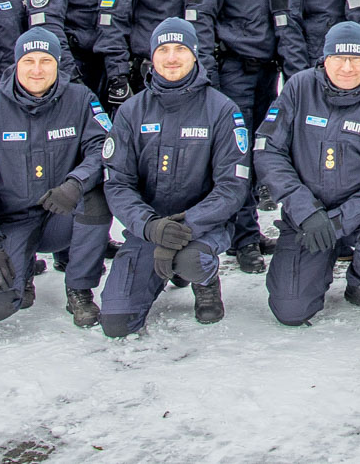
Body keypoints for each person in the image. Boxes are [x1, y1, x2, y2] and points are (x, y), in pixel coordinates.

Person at [99, 17, 250, 335]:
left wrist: (185, 227)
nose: (171, 57)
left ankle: (204, 279)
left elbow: (232, 186)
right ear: (151, 57)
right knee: (116, 323)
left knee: (191, 260)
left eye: (180, 49)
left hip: (203, 226)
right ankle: (166, 266)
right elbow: (118, 183)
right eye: (163, 49)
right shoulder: (131, 111)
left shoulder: (221, 110)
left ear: (195, 54)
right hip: (150, 228)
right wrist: (150, 226)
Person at [255, 22, 360, 325]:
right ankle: (317, 264)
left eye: (357, 59)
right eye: (339, 58)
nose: (347, 68)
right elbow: (267, 150)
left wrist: (336, 221)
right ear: (324, 59)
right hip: (307, 215)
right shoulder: (299, 88)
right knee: (291, 310)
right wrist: (304, 210)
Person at [0, 27, 112, 326]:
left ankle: (79, 288)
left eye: (46, 61)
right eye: (29, 61)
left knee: (98, 198)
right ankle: (21, 270)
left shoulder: (80, 99)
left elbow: (103, 149)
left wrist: (76, 183)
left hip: (61, 212)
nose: (37, 69)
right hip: (11, 220)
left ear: (58, 64)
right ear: (16, 64)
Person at [188, 0, 287, 273]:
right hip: (232, 70)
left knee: (261, 150)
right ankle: (242, 237)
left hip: (266, 71)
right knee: (236, 155)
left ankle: (251, 228)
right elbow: (200, 20)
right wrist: (208, 76)